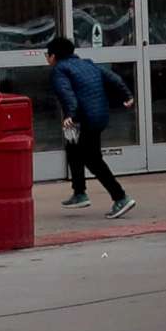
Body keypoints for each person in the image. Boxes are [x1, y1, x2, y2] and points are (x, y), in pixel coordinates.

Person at [46, 36, 136, 219]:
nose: (47, 59)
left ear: (54, 56)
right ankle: (79, 193)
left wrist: (70, 115)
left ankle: (121, 197)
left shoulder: (59, 70)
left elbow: (66, 93)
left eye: (47, 55)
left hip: (84, 119)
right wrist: (127, 95)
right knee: (72, 148)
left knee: (93, 159)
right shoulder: (87, 63)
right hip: (99, 116)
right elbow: (114, 78)